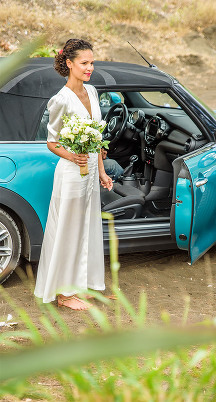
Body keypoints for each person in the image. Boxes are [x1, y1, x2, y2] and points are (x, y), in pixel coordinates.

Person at [33, 39, 113, 311]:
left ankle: (83, 285)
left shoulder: (91, 92)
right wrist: (72, 156)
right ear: (69, 64)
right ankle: (63, 293)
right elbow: (52, 142)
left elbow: (97, 141)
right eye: (84, 63)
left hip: (90, 173)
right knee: (67, 229)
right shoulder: (61, 99)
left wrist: (101, 172)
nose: (90, 68)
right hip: (70, 174)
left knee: (88, 228)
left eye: (92, 62)